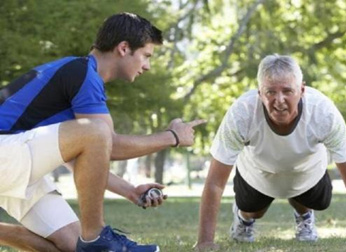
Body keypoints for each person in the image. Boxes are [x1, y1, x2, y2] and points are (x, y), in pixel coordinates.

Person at [0, 12, 205, 252]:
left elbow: (84, 155)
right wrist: (173, 137)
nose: (147, 66)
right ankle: (96, 237)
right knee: (97, 132)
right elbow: (108, 142)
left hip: (15, 161)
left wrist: (129, 191)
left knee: (74, 247)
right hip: (6, 151)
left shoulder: (81, 76)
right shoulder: (81, 74)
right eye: (146, 56)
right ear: (124, 48)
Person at [195, 54, 346, 251]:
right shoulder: (241, 113)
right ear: (259, 93)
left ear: (302, 90)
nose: (279, 100)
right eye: (270, 92)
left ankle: (304, 216)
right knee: (253, 211)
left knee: (318, 201)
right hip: (258, 173)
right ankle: (244, 220)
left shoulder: (323, 112)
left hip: (307, 173)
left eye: (287, 91)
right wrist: (205, 242)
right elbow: (215, 182)